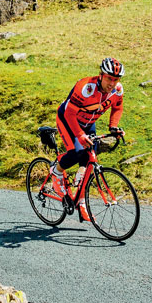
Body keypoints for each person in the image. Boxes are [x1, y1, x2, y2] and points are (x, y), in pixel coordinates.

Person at [50, 57, 125, 221]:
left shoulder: (117, 90)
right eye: (109, 78)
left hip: (89, 123)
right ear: (101, 75)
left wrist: (113, 127)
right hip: (68, 119)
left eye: (115, 79)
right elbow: (69, 113)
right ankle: (56, 172)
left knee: (90, 159)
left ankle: (81, 201)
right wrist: (79, 135)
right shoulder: (86, 87)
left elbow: (117, 107)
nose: (112, 83)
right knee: (77, 152)